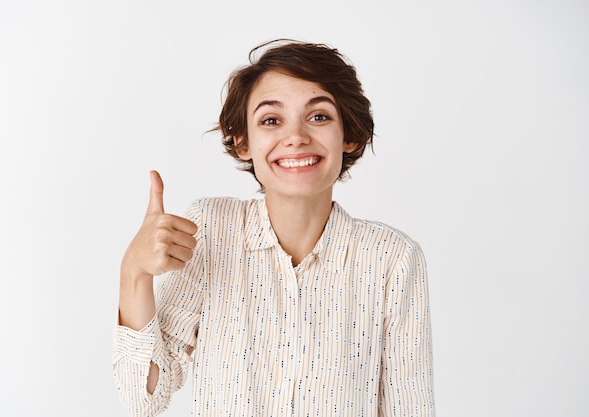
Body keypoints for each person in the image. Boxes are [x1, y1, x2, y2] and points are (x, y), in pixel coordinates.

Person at [113, 39, 435, 417]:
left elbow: (407, 408)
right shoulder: (210, 230)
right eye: (271, 120)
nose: (296, 136)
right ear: (242, 141)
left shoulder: (392, 258)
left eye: (318, 116)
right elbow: (143, 398)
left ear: (349, 134)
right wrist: (133, 271)